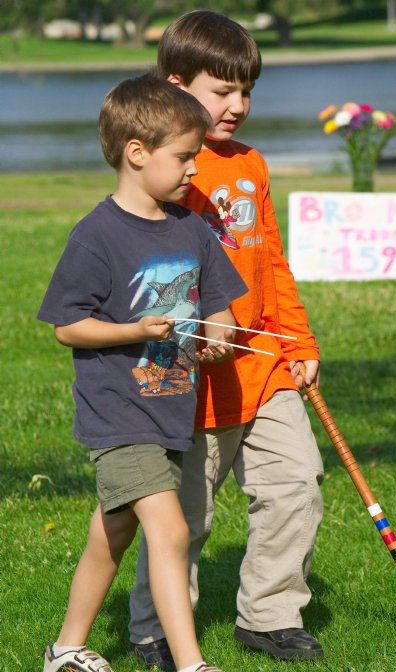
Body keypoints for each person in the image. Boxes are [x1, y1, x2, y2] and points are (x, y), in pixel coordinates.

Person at [128, 11, 325, 669]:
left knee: (296, 482)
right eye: (222, 91)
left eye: (247, 91)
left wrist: (298, 343)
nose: (238, 106)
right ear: (175, 83)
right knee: (182, 516)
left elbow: (271, 259)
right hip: (187, 377)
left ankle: (269, 616)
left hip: (263, 367)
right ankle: (156, 629)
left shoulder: (253, 165)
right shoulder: (163, 167)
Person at [37, 72, 248, 672]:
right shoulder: (96, 236)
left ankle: (66, 647)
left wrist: (220, 334)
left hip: (170, 407)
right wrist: (134, 330)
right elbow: (66, 326)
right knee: (171, 530)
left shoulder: (192, 230)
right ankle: (191, 664)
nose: (193, 171)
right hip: (119, 412)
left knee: (113, 533)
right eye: (183, 158)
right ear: (136, 153)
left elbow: (219, 307)